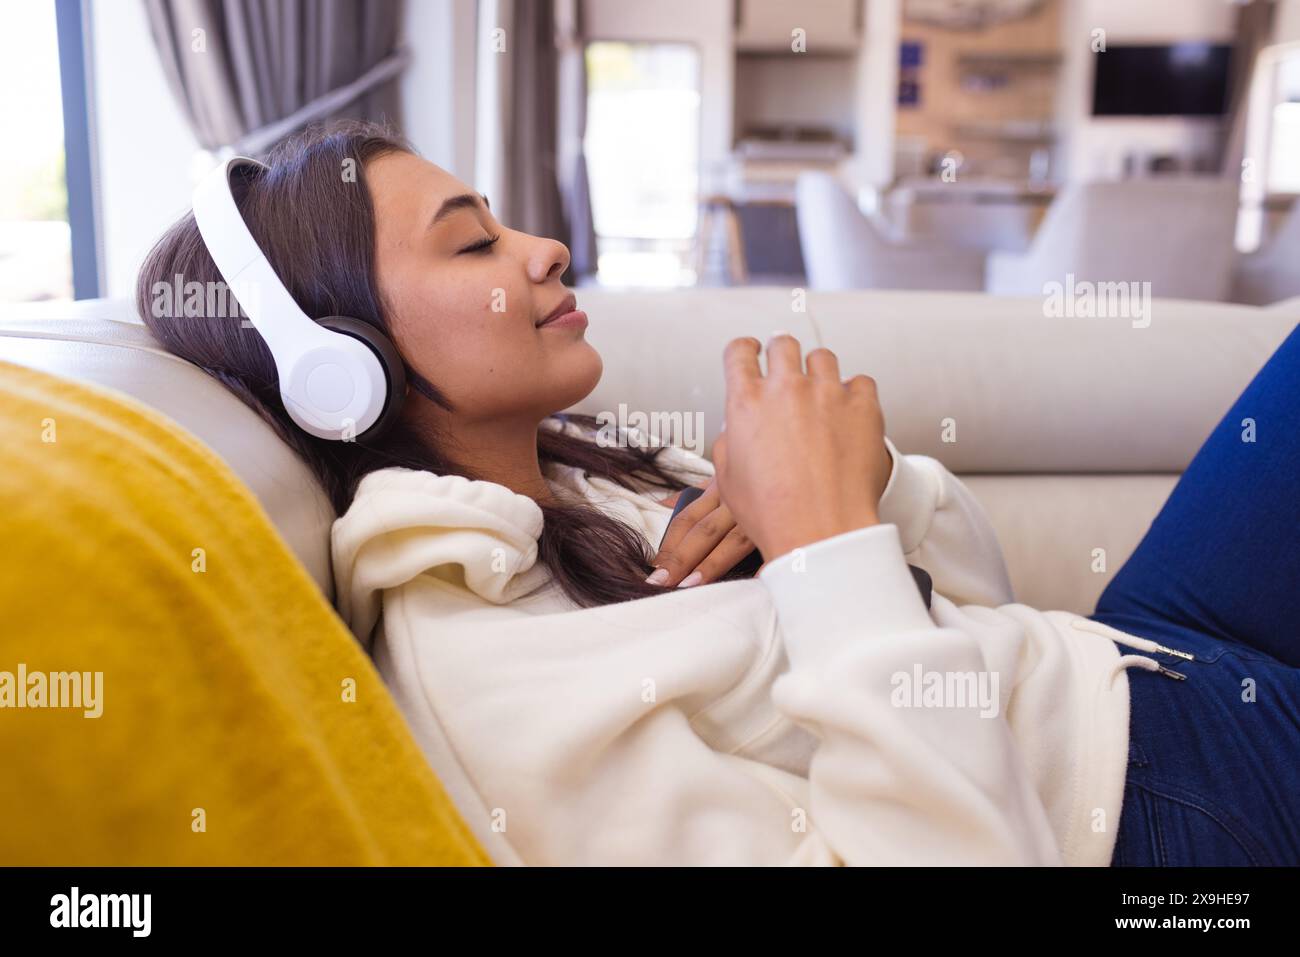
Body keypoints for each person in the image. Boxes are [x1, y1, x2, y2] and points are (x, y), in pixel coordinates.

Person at [138, 121, 1300, 866]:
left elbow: (977, 615)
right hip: (1153, 807)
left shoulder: (588, 475)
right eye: (470, 246)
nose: (543, 248)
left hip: (1133, 657)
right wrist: (826, 553)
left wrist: (870, 494)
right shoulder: (488, 676)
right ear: (343, 366)